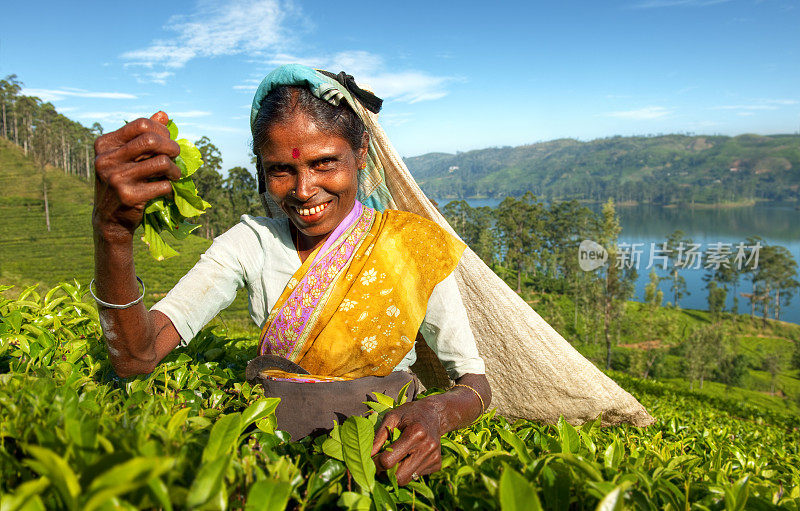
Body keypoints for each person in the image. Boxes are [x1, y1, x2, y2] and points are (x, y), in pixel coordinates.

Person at [92, 64, 491, 485]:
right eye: (282, 169)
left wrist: (436, 414)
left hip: (386, 467)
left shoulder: (413, 245)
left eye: (324, 163)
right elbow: (137, 357)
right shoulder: (250, 244)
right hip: (275, 467)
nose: (303, 190)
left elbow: (475, 383)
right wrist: (113, 235)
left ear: (361, 154)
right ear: (262, 169)